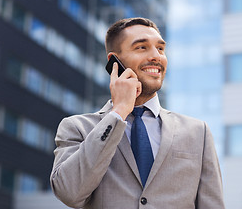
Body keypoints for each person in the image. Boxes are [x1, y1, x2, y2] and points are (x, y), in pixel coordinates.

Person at [50, 17, 225, 209]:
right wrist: (118, 113)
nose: (156, 56)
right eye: (141, 47)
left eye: (160, 48)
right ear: (114, 62)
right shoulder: (77, 128)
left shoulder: (198, 132)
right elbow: (69, 193)